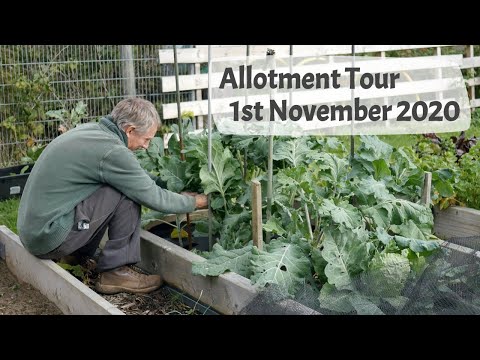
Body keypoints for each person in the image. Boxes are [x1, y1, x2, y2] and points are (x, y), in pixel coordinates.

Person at [17, 97, 208, 295]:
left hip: (35, 231)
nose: (146, 146)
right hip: (48, 238)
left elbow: (138, 178)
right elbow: (153, 197)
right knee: (126, 194)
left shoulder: (94, 132)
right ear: (130, 130)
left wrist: (168, 183)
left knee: (121, 187)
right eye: (147, 139)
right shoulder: (112, 151)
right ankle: (115, 272)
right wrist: (196, 201)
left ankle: (74, 256)